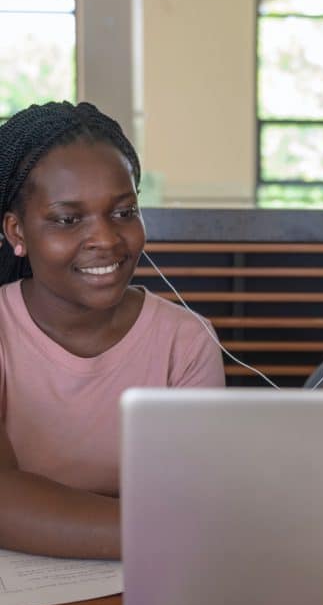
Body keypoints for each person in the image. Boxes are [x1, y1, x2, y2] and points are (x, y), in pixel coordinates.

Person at [0, 101, 225, 559]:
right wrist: (167, 533)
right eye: (68, 219)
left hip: (146, 585)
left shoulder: (185, 343)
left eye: (123, 212)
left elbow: (190, 497)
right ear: (17, 231)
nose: (105, 238)